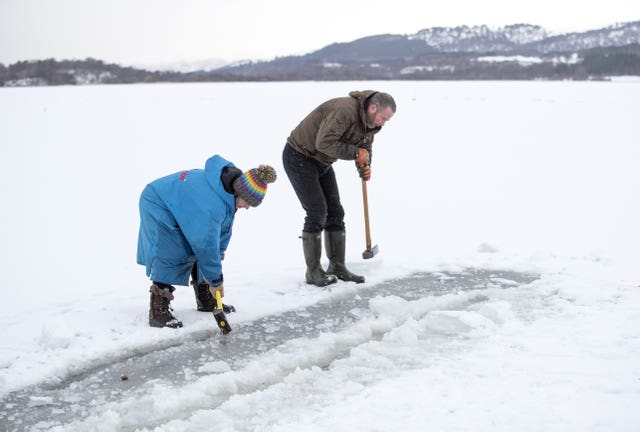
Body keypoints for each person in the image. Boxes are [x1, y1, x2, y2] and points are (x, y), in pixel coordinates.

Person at [137, 154, 277, 328]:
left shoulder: (226, 194)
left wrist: (213, 279)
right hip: (158, 202)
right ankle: (158, 310)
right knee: (173, 249)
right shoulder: (212, 205)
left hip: (177, 202)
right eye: (247, 202)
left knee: (198, 244)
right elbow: (205, 245)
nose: (247, 207)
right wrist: (216, 281)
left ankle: (205, 298)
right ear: (239, 193)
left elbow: (217, 241)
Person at [282, 90, 396, 287]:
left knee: (335, 212)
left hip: (322, 161)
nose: (383, 123)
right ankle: (313, 272)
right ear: (372, 108)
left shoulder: (370, 124)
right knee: (317, 211)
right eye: (383, 118)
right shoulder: (344, 111)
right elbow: (324, 142)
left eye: (387, 120)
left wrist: (365, 166)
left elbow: (365, 147)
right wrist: (355, 153)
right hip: (299, 156)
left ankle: (337, 266)